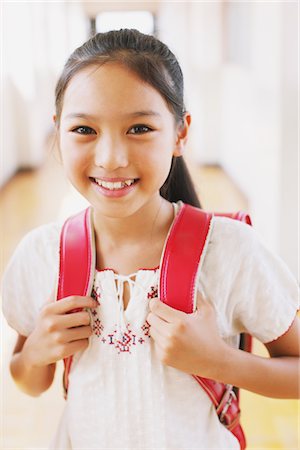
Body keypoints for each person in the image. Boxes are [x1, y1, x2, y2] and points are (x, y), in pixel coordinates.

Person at [2, 29, 299, 450]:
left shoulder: (229, 250)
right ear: (57, 133)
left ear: (180, 133)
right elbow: (28, 379)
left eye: (139, 127)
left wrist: (217, 361)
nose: (110, 158)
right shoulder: (40, 255)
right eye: (84, 129)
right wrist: (36, 353)